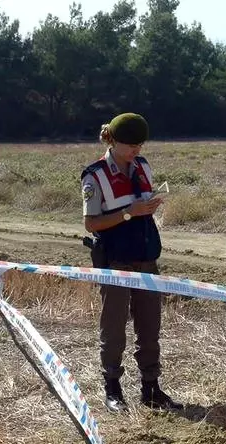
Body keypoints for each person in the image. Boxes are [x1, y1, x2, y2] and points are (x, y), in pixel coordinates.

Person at [81, 112, 181, 412]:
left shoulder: (143, 167)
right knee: (114, 329)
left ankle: (151, 388)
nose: (136, 150)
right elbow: (90, 223)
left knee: (150, 327)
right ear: (112, 140)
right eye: (129, 145)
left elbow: (141, 208)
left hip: (145, 257)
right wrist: (129, 212)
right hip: (115, 260)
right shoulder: (94, 175)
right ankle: (113, 388)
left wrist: (148, 206)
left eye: (140, 144)